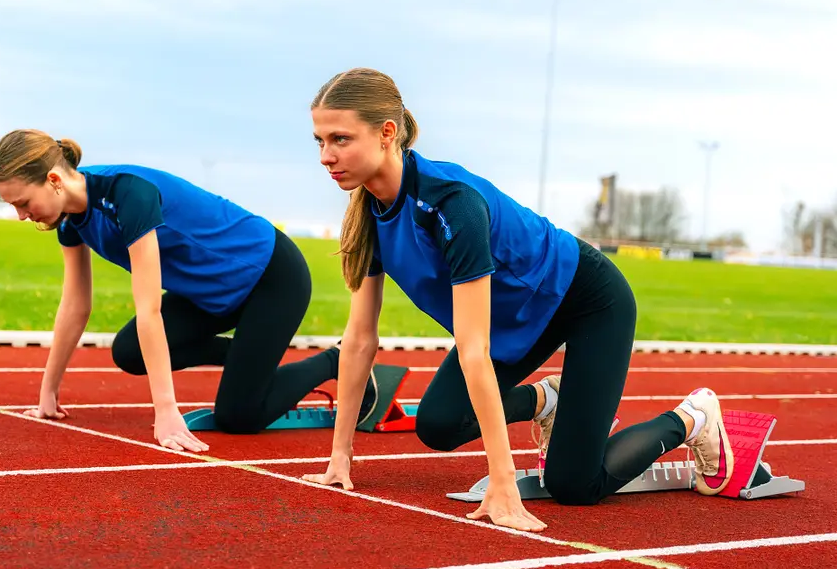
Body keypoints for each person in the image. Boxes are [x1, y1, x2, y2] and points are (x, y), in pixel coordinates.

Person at [303, 68, 735, 532]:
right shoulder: (368, 213)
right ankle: (547, 400)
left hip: (586, 300)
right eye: (320, 141)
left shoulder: (453, 205)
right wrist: (340, 456)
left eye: (340, 139)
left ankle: (692, 418)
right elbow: (360, 339)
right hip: (517, 318)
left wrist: (502, 480)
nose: (327, 156)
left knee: (574, 485)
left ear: (387, 133)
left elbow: (473, 349)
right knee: (440, 425)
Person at [0, 129, 361, 452]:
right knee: (129, 352)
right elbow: (75, 304)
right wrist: (48, 393)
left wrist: (166, 411)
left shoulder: (128, 195)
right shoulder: (69, 219)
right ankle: (252, 358)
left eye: (23, 202)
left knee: (239, 416)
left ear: (54, 180)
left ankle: (337, 359)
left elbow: (149, 309)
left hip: (268, 276)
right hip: (208, 294)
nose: (22, 215)